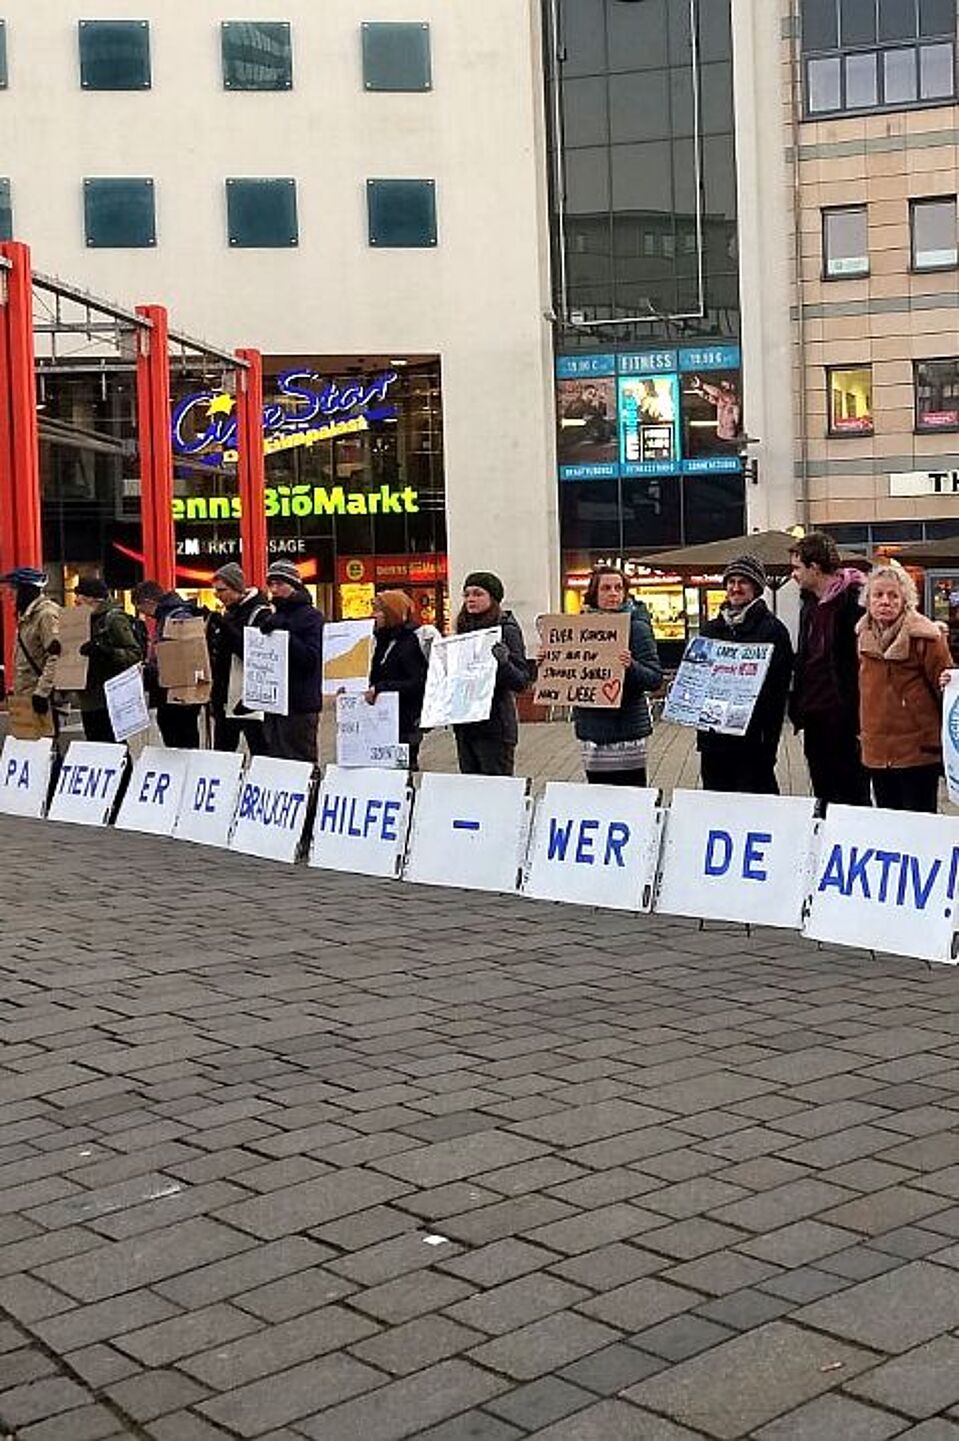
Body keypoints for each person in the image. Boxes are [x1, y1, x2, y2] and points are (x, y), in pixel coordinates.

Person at [858, 563, 952, 813]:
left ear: (905, 600)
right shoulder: (860, 638)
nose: (885, 601)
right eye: (878, 595)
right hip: (877, 753)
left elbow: (948, 691)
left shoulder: (927, 638)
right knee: (890, 829)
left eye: (893, 595)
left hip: (918, 753)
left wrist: (948, 682)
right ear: (868, 600)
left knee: (920, 827)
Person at [697, 556, 793, 794]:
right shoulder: (710, 629)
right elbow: (697, 676)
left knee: (756, 806)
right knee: (717, 807)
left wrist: (769, 742)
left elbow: (778, 690)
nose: (735, 588)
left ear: (756, 588)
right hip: (714, 740)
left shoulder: (773, 630)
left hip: (753, 740)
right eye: (731, 581)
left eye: (743, 582)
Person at [789, 531, 871, 807]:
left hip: (844, 717)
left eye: (797, 568)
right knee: (823, 792)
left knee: (852, 793)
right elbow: (806, 658)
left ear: (814, 567)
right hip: (814, 716)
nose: (794, 575)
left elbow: (861, 664)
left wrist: (858, 717)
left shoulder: (854, 604)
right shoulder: (808, 606)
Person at [573, 566, 662, 786]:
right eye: (606, 588)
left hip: (627, 732)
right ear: (594, 593)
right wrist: (550, 661)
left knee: (631, 797)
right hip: (592, 731)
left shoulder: (637, 627)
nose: (613, 593)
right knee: (599, 798)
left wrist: (631, 666)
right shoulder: (578, 628)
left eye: (618, 588)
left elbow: (654, 678)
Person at [453, 571, 530, 776]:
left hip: (495, 727)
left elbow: (521, 681)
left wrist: (503, 663)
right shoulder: (462, 630)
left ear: (492, 597)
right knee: (472, 788)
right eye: (467, 594)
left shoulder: (506, 629)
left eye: (478, 594)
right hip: (466, 725)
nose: (470, 599)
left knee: (496, 789)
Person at [253, 559, 324, 763]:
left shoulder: (311, 617)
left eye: (280, 584)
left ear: (294, 585)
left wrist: (284, 635)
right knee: (275, 760)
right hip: (275, 703)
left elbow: (311, 658)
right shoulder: (275, 615)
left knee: (300, 761)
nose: (274, 589)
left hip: (300, 704)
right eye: (271, 584)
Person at [132, 580, 204, 750]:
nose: (144, 615)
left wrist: (151, 670)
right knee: (175, 731)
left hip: (178, 689)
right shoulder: (170, 615)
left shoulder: (176, 617)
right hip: (174, 688)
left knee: (180, 736)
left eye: (142, 609)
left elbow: (180, 655)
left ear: (149, 602)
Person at [207, 562, 269, 756]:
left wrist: (224, 626)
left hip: (249, 695)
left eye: (221, 590)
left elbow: (252, 652)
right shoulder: (231, 612)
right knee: (223, 755)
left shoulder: (260, 613)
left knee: (260, 750)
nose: (217, 595)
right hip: (226, 694)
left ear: (237, 588)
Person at [73, 577, 144, 742]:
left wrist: (106, 652)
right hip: (89, 697)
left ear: (92, 598)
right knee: (96, 746)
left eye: (80, 597)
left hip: (109, 698)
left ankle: (125, 769)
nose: (76, 601)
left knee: (113, 746)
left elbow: (134, 653)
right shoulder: (82, 620)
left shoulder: (113, 619)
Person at [366, 589, 428, 770]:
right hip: (382, 722)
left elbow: (417, 682)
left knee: (402, 771)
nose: (373, 615)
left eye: (378, 610)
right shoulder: (381, 640)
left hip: (404, 723)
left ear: (391, 613)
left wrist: (382, 687)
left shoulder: (409, 642)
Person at [0, 567, 61, 727]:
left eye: (14, 589)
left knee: (43, 747)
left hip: (39, 697)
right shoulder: (27, 616)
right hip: (26, 696)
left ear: (26, 590)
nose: (10, 594)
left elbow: (56, 656)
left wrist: (42, 693)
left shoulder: (46, 615)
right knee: (27, 748)